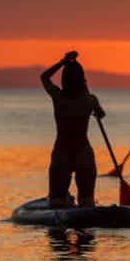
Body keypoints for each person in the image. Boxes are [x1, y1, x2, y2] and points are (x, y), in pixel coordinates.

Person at [40, 51, 105, 208]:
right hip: (83, 152)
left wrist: (62, 62)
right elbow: (101, 114)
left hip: (62, 152)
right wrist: (94, 107)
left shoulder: (58, 97)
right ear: (83, 79)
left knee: (56, 201)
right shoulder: (90, 100)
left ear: (64, 79)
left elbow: (44, 77)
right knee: (87, 201)